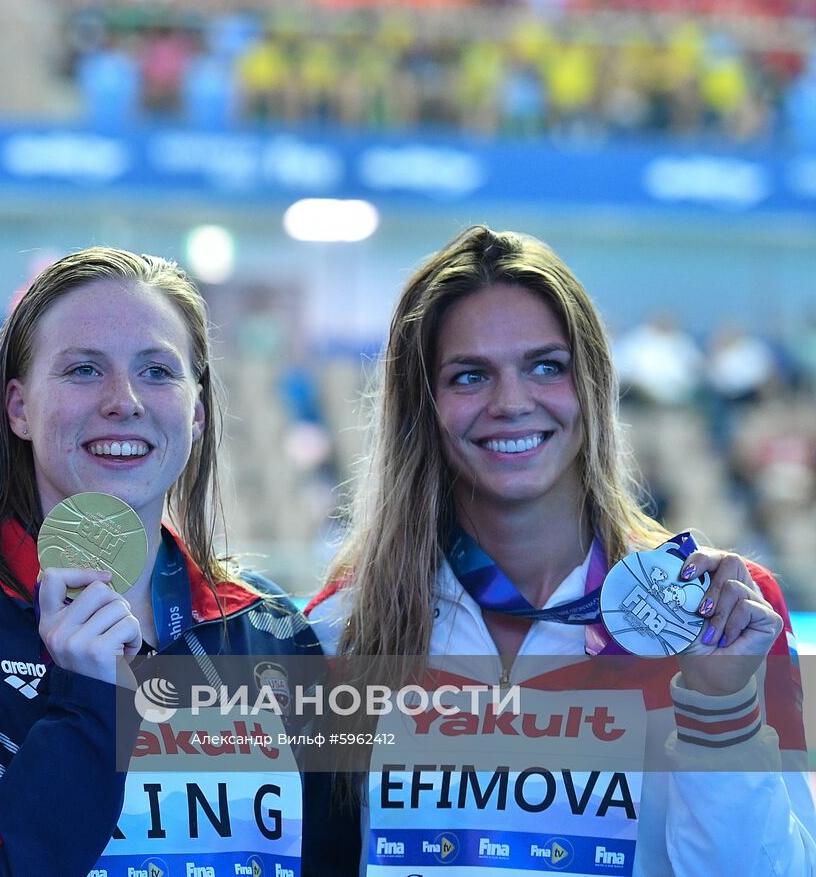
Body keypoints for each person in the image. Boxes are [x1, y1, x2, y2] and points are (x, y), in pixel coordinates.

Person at [306, 224, 815, 875]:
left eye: (546, 366)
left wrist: (720, 711)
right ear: (424, 406)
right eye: (469, 376)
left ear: (593, 386)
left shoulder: (717, 616)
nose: (512, 402)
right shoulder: (345, 627)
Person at [0, 247, 338, 876]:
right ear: (18, 408)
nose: (123, 400)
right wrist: (92, 707)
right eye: (83, 369)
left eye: (158, 371)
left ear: (197, 412)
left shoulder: (269, 631)